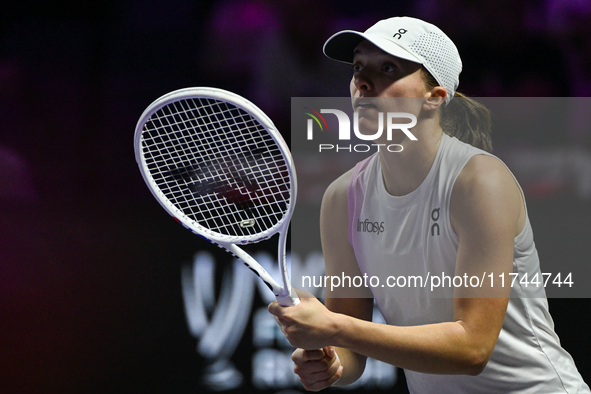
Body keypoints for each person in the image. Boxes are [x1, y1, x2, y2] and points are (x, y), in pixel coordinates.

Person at [268, 16, 590, 393]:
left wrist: (335, 327)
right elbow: (349, 351)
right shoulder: (342, 199)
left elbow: (472, 348)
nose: (363, 81)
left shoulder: (479, 181)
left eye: (388, 68)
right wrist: (331, 360)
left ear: (433, 99)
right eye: (358, 66)